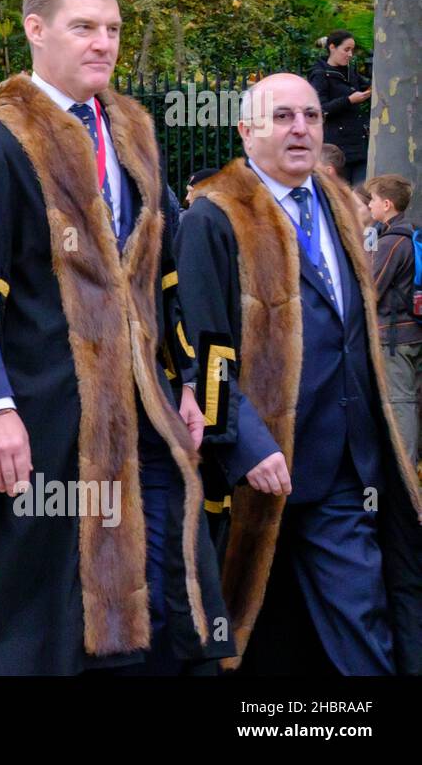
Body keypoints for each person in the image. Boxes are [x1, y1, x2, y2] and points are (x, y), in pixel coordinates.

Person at [0, 0, 231, 675]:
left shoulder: (135, 136)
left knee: (169, 586)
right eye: (83, 26)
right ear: (36, 29)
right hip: (43, 411)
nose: (102, 43)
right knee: (40, 605)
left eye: (112, 29)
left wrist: (181, 382)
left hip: (142, 409)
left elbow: (163, 275)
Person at [176, 73, 422, 675]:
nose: (300, 130)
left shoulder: (339, 203)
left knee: (361, 622)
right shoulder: (214, 216)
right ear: (246, 131)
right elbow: (201, 349)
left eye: (311, 117)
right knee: (245, 634)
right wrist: (249, 442)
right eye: (282, 117)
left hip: (345, 468)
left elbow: (351, 333)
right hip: (256, 469)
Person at [365, 173, 422, 467]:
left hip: (394, 340)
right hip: (412, 333)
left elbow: (370, 291)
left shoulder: (391, 242)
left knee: (402, 406)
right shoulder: (410, 234)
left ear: (387, 204)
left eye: (373, 199)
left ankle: (406, 475)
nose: (370, 205)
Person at [309, 30, 372, 185]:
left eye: (352, 50)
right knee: (341, 198)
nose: (350, 54)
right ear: (332, 47)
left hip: (359, 145)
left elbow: (366, 86)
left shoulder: (351, 71)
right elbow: (320, 109)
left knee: (361, 196)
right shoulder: (320, 74)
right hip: (337, 149)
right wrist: (349, 100)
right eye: (346, 49)